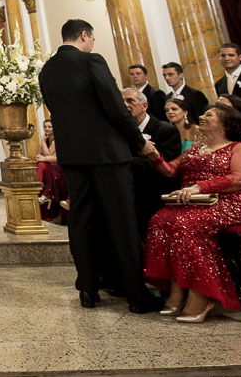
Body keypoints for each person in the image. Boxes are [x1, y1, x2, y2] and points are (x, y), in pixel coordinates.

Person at [37, 19, 163, 313]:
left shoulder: (47, 70)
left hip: (72, 154)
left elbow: (59, 112)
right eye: (91, 39)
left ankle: (89, 289)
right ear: (85, 35)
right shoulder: (92, 60)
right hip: (106, 152)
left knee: (82, 220)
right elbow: (116, 108)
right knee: (121, 221)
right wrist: (139, 144)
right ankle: (136, 294)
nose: (92, 43)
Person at [143, 104, 241, 323]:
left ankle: (202, 293)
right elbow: (170, 170)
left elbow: (239, 179)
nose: (202, 117)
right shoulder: (196, 148)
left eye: (209, 115)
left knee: (186, 225)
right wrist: (154, 155)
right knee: (159, 220)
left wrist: (199, 187)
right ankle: (178, 289)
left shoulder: (238, 148)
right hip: (192, 203)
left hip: (227, 202)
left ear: (225, 124)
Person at [122, 87, 182, 240]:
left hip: (155, 195)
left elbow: (168, 167)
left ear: (144, 106)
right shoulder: (120, 132)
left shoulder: (165, 130)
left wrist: (123, 160)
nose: (125, 105)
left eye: (130, 101)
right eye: (121, 102)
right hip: (128, 194)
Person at [35, 120, 67, 223]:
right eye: (45, 127)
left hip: (58, 169)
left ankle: (45, 195)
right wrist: (44, 143)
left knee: (50, 166)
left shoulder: (58, 140)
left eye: (50, 127)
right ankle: (38, 187)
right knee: (40, 164)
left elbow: (56, 158)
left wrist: (44, 157)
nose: (47, 129)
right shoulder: (45, 139)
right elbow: (41, 155)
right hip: (49, 167)